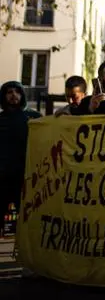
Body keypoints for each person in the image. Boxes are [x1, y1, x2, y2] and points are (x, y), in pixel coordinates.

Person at [1, 81, 42, 229]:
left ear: (22, 95)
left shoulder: (34, 117)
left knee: (28, 220)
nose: (13, 95)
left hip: (25, 176)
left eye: (17, 92)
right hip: (3, 177)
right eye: (9, 92)